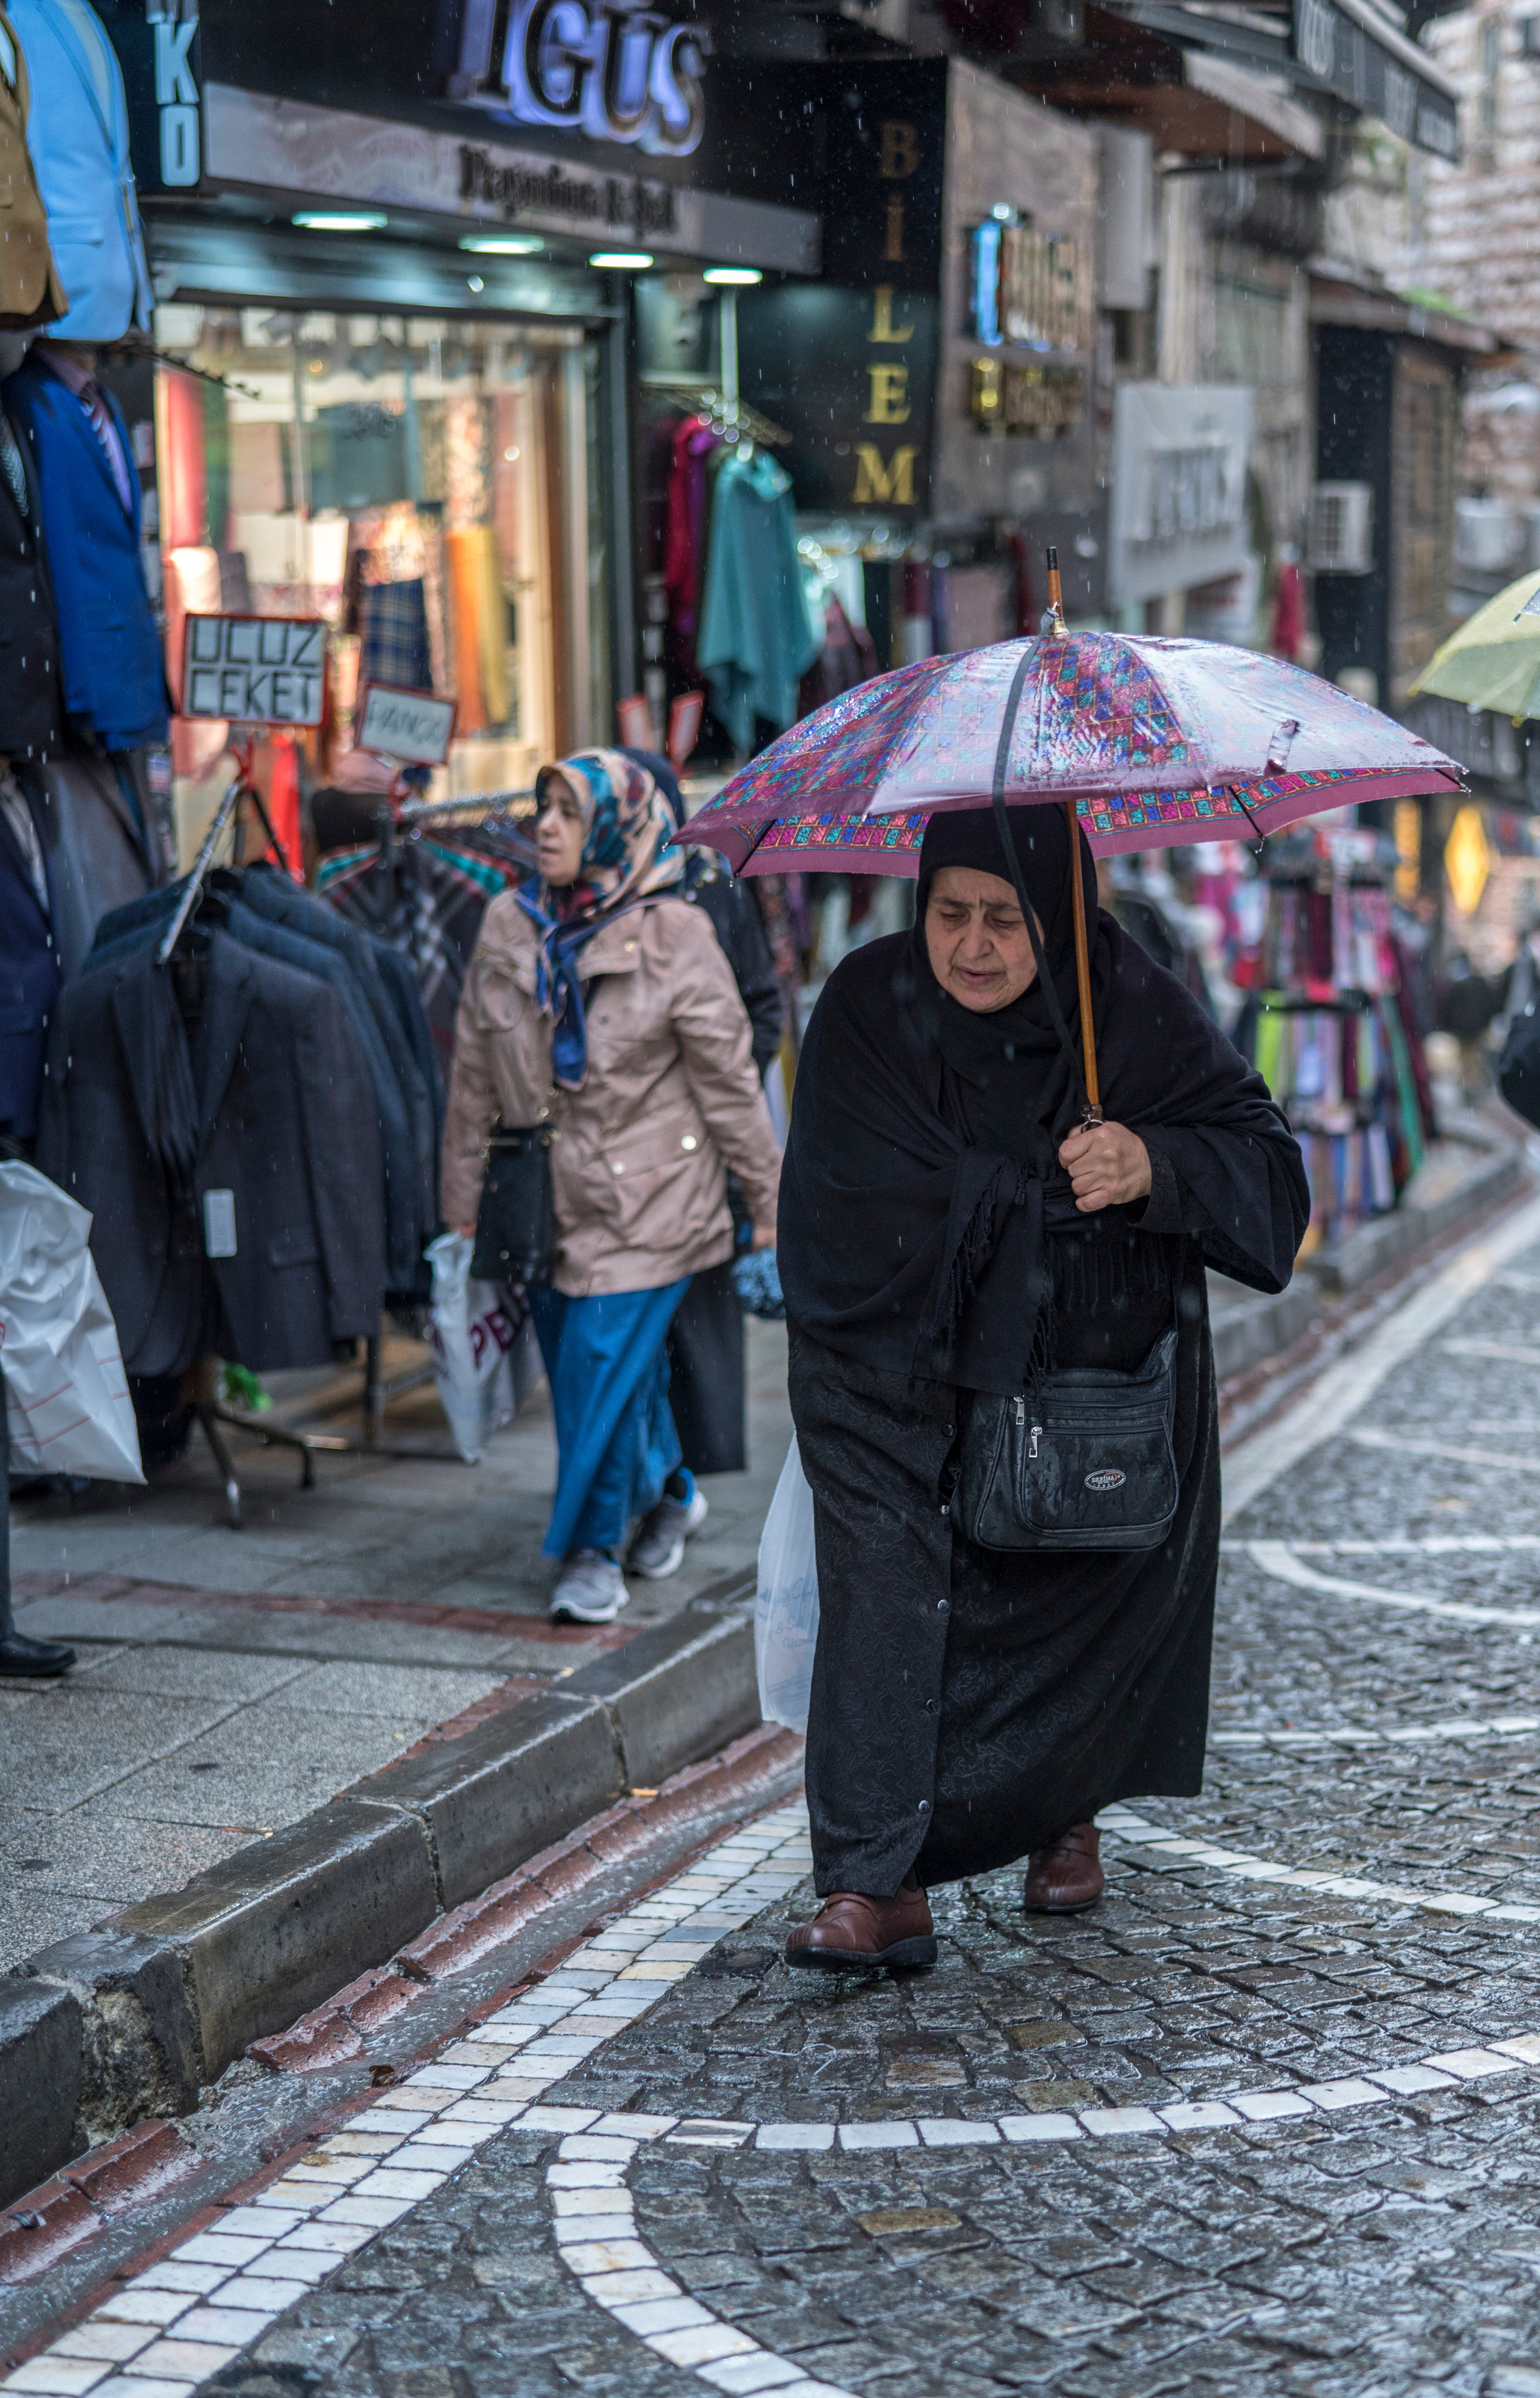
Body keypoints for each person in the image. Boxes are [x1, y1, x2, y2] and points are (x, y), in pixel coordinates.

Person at [777, 805, 1309, 1970]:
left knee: (1061, 1583)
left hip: (1077, 1366)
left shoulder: (1124, 1006)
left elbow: (1269, 1174)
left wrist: (1151, 1164)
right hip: (886, 1357)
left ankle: (1061, 1807)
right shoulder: (866, 1005)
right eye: (948, 914)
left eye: (1006, 920)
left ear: (1060, 920)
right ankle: (874, 1880)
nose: (971, 946)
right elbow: (834, 1191)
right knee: (883, 1593)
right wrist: (1027, 1194)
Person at [441, 749, 781, 1624]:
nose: (546, 828)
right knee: (587, 1374)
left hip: (652, 1202)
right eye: (543, 809)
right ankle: (671, 1485)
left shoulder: (677, 934)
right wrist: (461, 1204)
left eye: (568, 812)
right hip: (540, 1204)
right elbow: (473, 1076)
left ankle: (589, 1554)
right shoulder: (508, 923)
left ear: (614, 827)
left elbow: (731, 1086)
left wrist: (769, 1206)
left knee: (597, 1366)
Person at [623, 746, 783, 1477]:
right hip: (617, 1161)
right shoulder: (586, 897)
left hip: (699, 1152)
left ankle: (685, 1474)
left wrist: (715, 1085)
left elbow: (762, 1005)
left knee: (696, 1325)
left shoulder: (710, 886)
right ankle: (641, 1474)